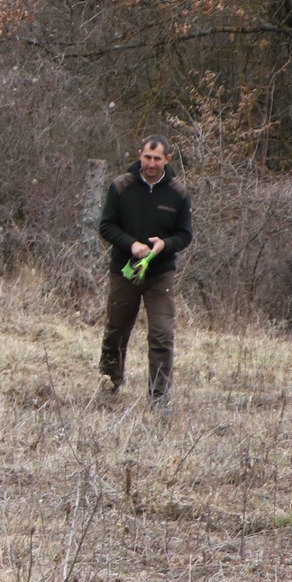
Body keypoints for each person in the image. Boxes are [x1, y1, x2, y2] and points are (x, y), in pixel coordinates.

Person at [98, 135, 195, 406]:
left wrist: (164, 245)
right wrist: (131, 245)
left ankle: (159, 398)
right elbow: (106, 226)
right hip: (124, 271)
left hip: (160, 274)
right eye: (147, 157)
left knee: (162, 334)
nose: (151, 163)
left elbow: (185, 235)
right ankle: (109, 385)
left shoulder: (178, 193)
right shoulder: (120, 186)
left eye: (157, 158)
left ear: (168, 159)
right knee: (116, 330)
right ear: (139, 155)